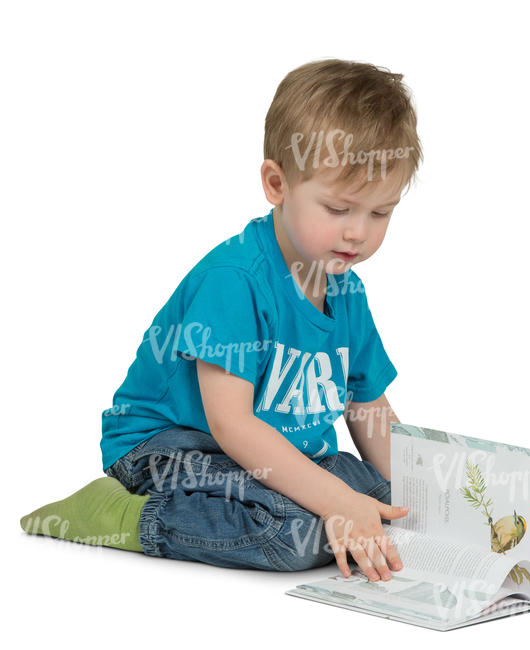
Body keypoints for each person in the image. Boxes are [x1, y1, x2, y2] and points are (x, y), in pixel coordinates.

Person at [20, 57, 423, 583]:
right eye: (338, 208)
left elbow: (366, 406)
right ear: (277, 184)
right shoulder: (235, 280)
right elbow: (230, 424)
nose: (358, 234)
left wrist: (419, 499)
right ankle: (123, 515)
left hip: (266, 452)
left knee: (388, 503)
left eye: (379, 213)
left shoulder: (345, 286)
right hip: (173, 445)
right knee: (296, 534)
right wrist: (332, 500)